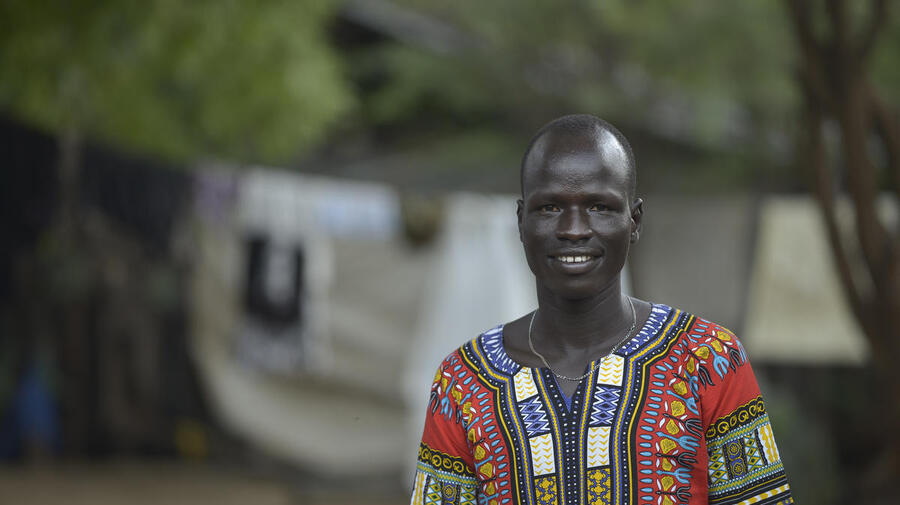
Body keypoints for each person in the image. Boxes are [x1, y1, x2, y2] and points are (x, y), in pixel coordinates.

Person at [409, 114, 792, 505]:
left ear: (634, 221)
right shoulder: (463, 380)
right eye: (549, 208)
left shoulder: (709, 358)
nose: (574, 229)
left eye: (599, 207)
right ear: (521, 222)